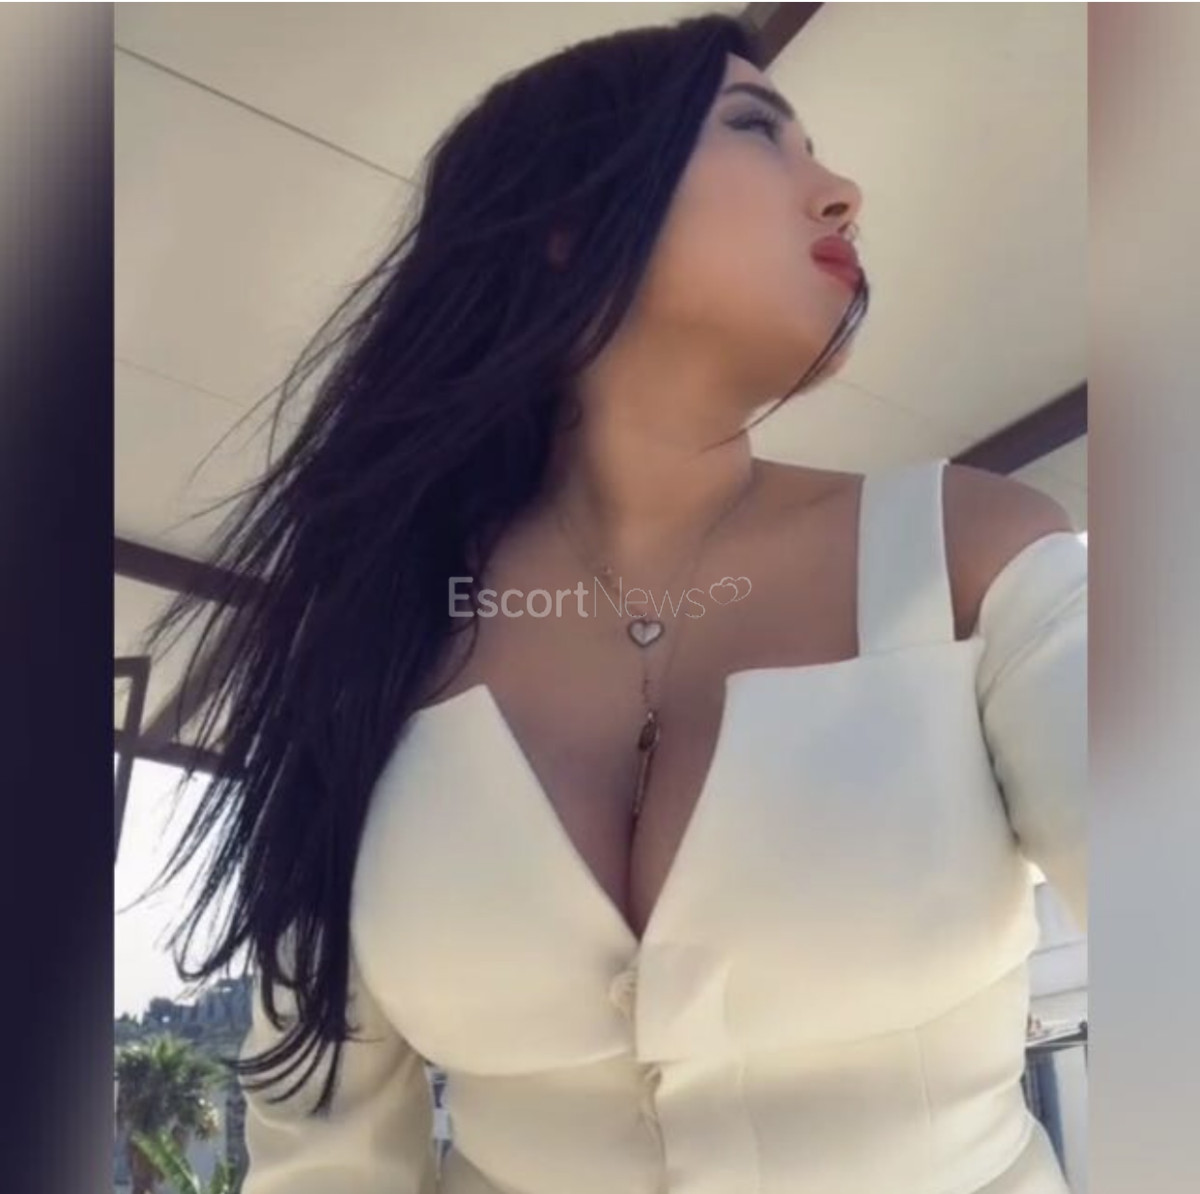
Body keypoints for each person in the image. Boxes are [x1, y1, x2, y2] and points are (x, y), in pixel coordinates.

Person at [140, 13, 1087, 1194]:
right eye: (758, 131)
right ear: (566, 222)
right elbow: (324, 1151)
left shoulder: (977, 557)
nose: (843, 194)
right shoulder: (372, 645)